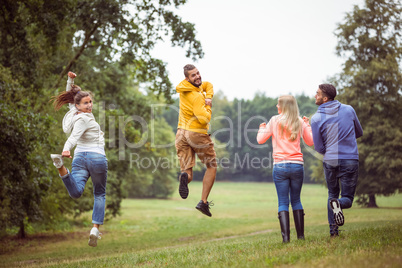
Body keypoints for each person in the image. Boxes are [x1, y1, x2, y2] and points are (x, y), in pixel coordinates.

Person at [50, 71, 107, 247]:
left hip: (80, 158)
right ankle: (95, 229)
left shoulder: (74, 113)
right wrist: (66, 149)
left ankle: (61, 168)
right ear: (78, 105)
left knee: (75, 192)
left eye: (90, 102)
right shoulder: (83, 119)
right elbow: (74, 137)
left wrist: (70, 80)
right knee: (99, 193)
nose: (89, 105)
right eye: (85, 103)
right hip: (96, 157)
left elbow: (71, 98)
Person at [257, 95, 314, 243]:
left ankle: (286, 239)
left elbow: (260, 140)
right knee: (296, 200)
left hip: (280, 166)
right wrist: (307, 125)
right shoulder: (299, 121)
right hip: (297, 165)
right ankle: (301, 237)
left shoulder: (274, 120)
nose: (277, 106)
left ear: (283, 107)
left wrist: (262, 128)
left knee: (283, 202)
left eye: (278, 104)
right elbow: (310, 141)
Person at [311, 84, 363, 237]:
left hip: (330, 161)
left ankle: (334, 232)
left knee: (332, 194)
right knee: (347, 198)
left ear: (325, 98)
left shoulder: (316, 118)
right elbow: (359, 132)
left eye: (318, 93)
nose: (315, 95)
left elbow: (319, 148)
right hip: (350, 159)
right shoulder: (349, 110)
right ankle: (339, 204)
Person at [175, 64, 217, 217]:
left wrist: (208, 94)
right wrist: (208, 105)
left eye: (198, 73)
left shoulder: (185, 89)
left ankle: (184, 178)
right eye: (194, 75)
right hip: (196, 133)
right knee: (211, 166)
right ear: (187, 78)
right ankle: (203, 202)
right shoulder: (197, 96)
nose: (198, 77)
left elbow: (208, 85)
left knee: (188, 173)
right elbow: (203, 119)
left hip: (181, 134)